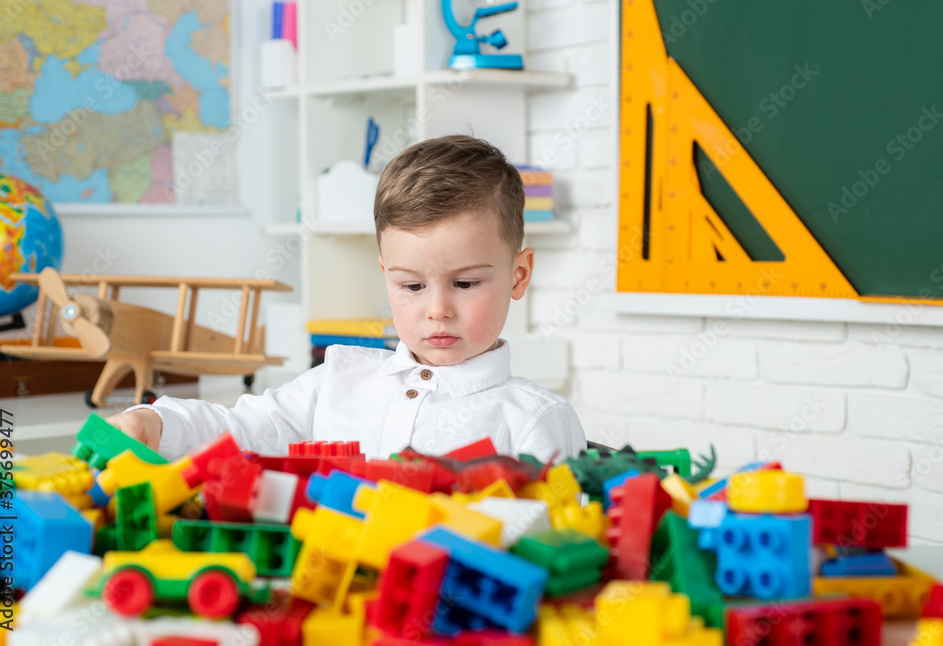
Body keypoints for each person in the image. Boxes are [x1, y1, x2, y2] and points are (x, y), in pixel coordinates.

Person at [108, 135, 587, 463]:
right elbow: (245, 427)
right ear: (386, 276)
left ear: (519, 275)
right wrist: (156, 421)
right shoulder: (338, 380)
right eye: (412, 286)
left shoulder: (534, 420)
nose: (437, 310)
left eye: (465, 284)